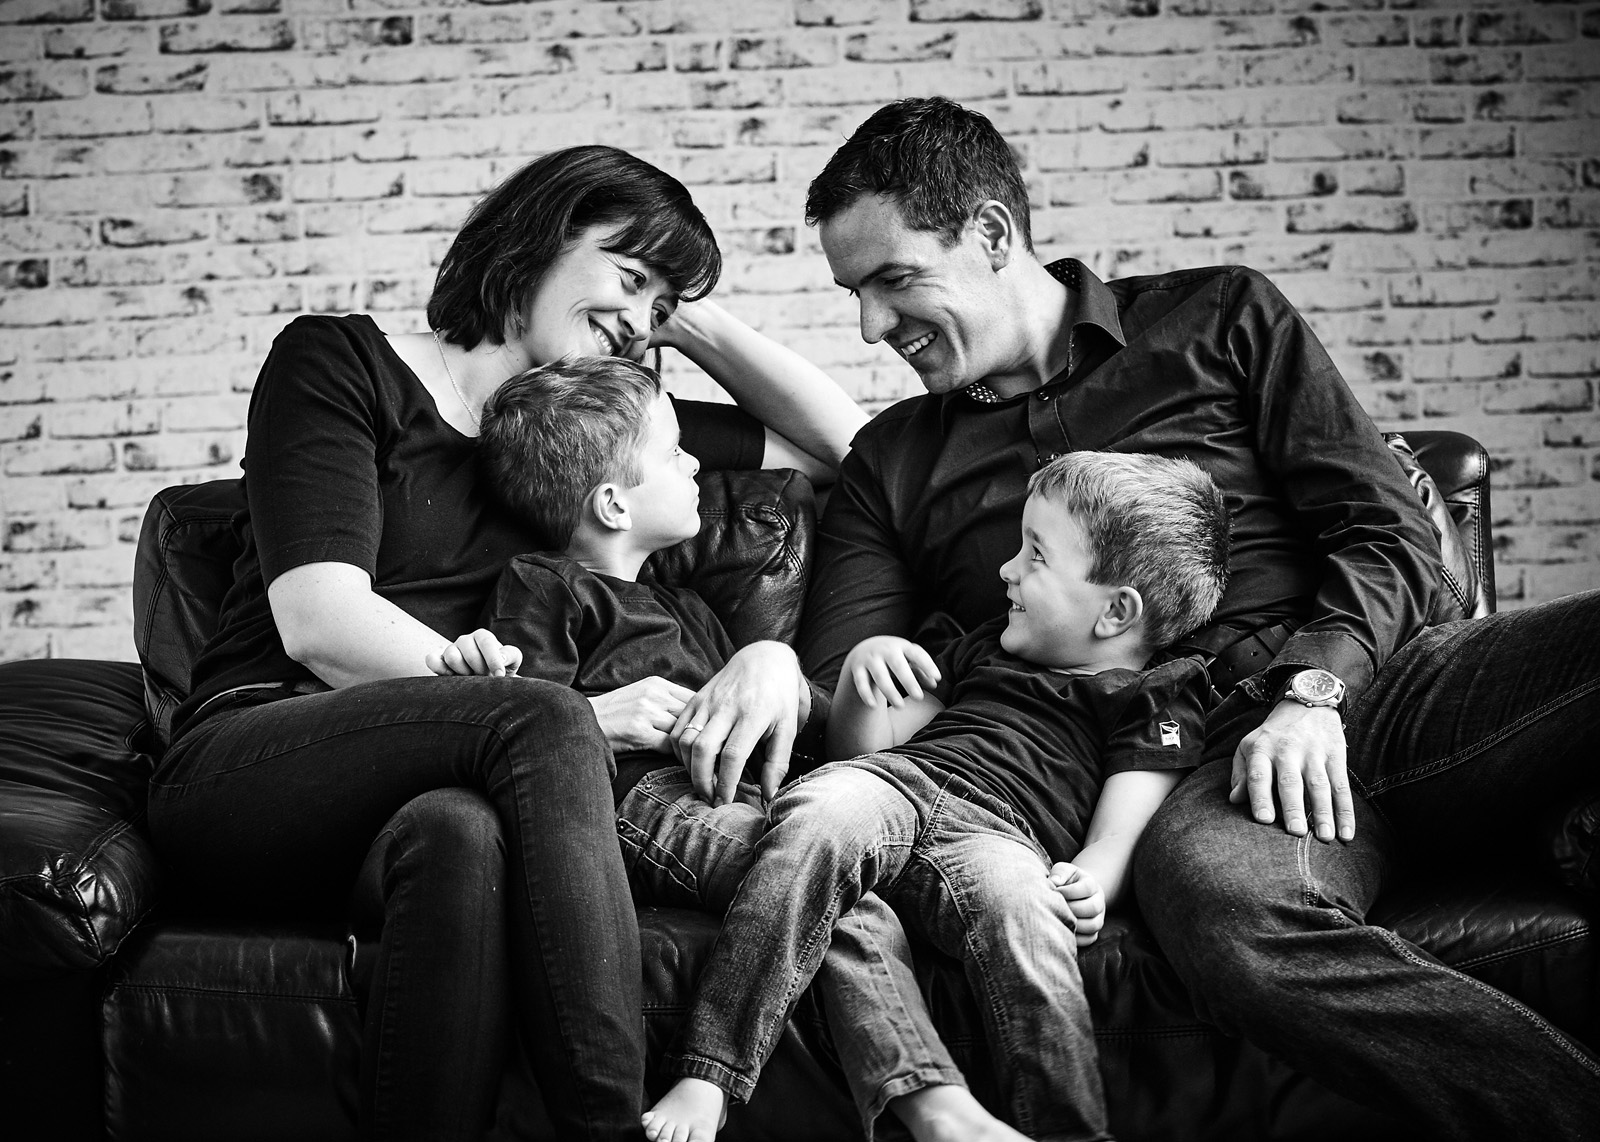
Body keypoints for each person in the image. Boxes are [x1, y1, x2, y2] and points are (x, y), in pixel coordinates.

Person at [773, 97, 1600, 1140]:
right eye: (853, 293)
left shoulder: (1220, 317)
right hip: (1195, 767)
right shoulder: (893, 463)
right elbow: (844, 681)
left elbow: (1386, 528)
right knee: (1236, 923)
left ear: (990, 232)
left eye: (893, 280)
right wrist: (783, 667)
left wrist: (1312, 693)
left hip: (1390, 686)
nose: (871, 326)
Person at [144, 144, 865, 1142]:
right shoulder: (343, 362)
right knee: (541, 723)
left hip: (435, 792)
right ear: (545, 233)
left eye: (659, 304)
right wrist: (560, 717)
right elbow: (320, 620)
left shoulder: (588, 431)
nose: (638, 318)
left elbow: (852, 451)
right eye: (630, 276)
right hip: (257, 760)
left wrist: (683, 315)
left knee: (460, 835)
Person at [643, 449, 1230, 1142]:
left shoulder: (1158, 695)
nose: (1007, 569)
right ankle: (711, 1072)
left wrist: (1090, 883)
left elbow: (1122, 829)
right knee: (818, 817)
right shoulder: (985, 646)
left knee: (1031, 920)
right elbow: (864, 754)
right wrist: (863, 678)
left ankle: (1066, 1128)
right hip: (895, 784)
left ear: (1116, 611)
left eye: (1036, 556)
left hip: (1003, 839)